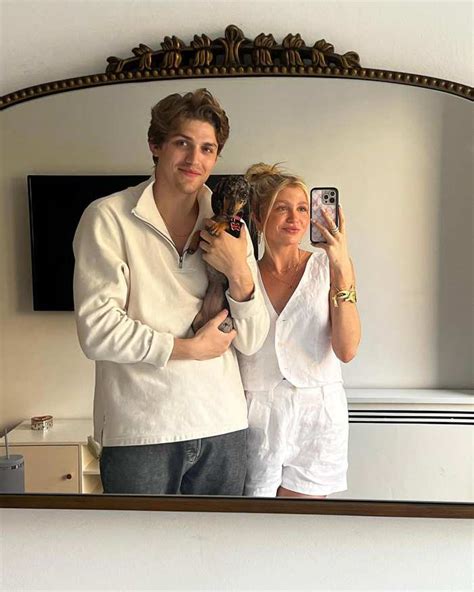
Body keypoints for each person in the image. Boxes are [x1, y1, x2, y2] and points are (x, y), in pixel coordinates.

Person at [72, 89, 269, 495]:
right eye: (182, 143)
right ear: (155, 145)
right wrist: (189, 349)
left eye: (207, 149)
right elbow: (97, 330)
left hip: (222, 424)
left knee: (221, 540)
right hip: (140, 429)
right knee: (137, 540)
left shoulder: (232, 226)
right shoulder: (108, 218)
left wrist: (238, 270)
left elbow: (252, 339)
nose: (195, 159)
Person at [238, 163, 361, 498]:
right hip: (255, 413)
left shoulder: (328, 267)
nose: (295, 218)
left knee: (303, 524)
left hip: (317, 414)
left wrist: (340, 265)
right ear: (258, 218)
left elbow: (347, 349)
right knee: (254, 522)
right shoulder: (241, 272)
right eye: (282, 208)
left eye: (303, 208)